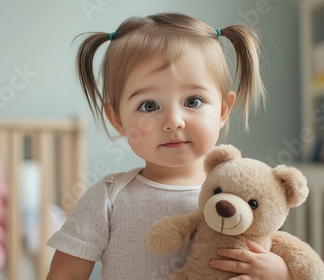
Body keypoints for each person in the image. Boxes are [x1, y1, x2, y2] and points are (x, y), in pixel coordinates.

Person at [47, 12, 290, 280]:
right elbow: (66, 273)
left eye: (193, 101)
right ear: (117, 119)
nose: (173, 121)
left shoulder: (243, 195)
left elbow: (272, 248)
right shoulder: (110, 198)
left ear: (223, 109)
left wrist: (280, 273)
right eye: (149, 106)